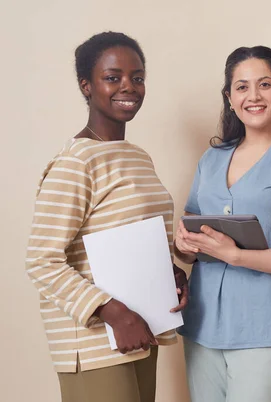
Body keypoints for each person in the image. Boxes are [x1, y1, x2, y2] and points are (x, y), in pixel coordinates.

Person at [25, 31, 188, 402]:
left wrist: (171, 275)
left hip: (142, 328)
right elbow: (41, 260)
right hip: (96, 338)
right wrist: (113, 312)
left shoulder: (138, 157)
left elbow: (135, 237)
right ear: (87, 85)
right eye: (112, 77)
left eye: (137, 77)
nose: (128, 87)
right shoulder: (75, 162)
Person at [174, 45, 271, 402]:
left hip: (267, 329)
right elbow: (191, 244)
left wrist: (236, 255)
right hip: (202, 327)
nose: (254, 96)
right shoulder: (211, 159)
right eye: (242, 87)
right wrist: (184, 245)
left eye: (264, 84)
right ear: (229, 98)